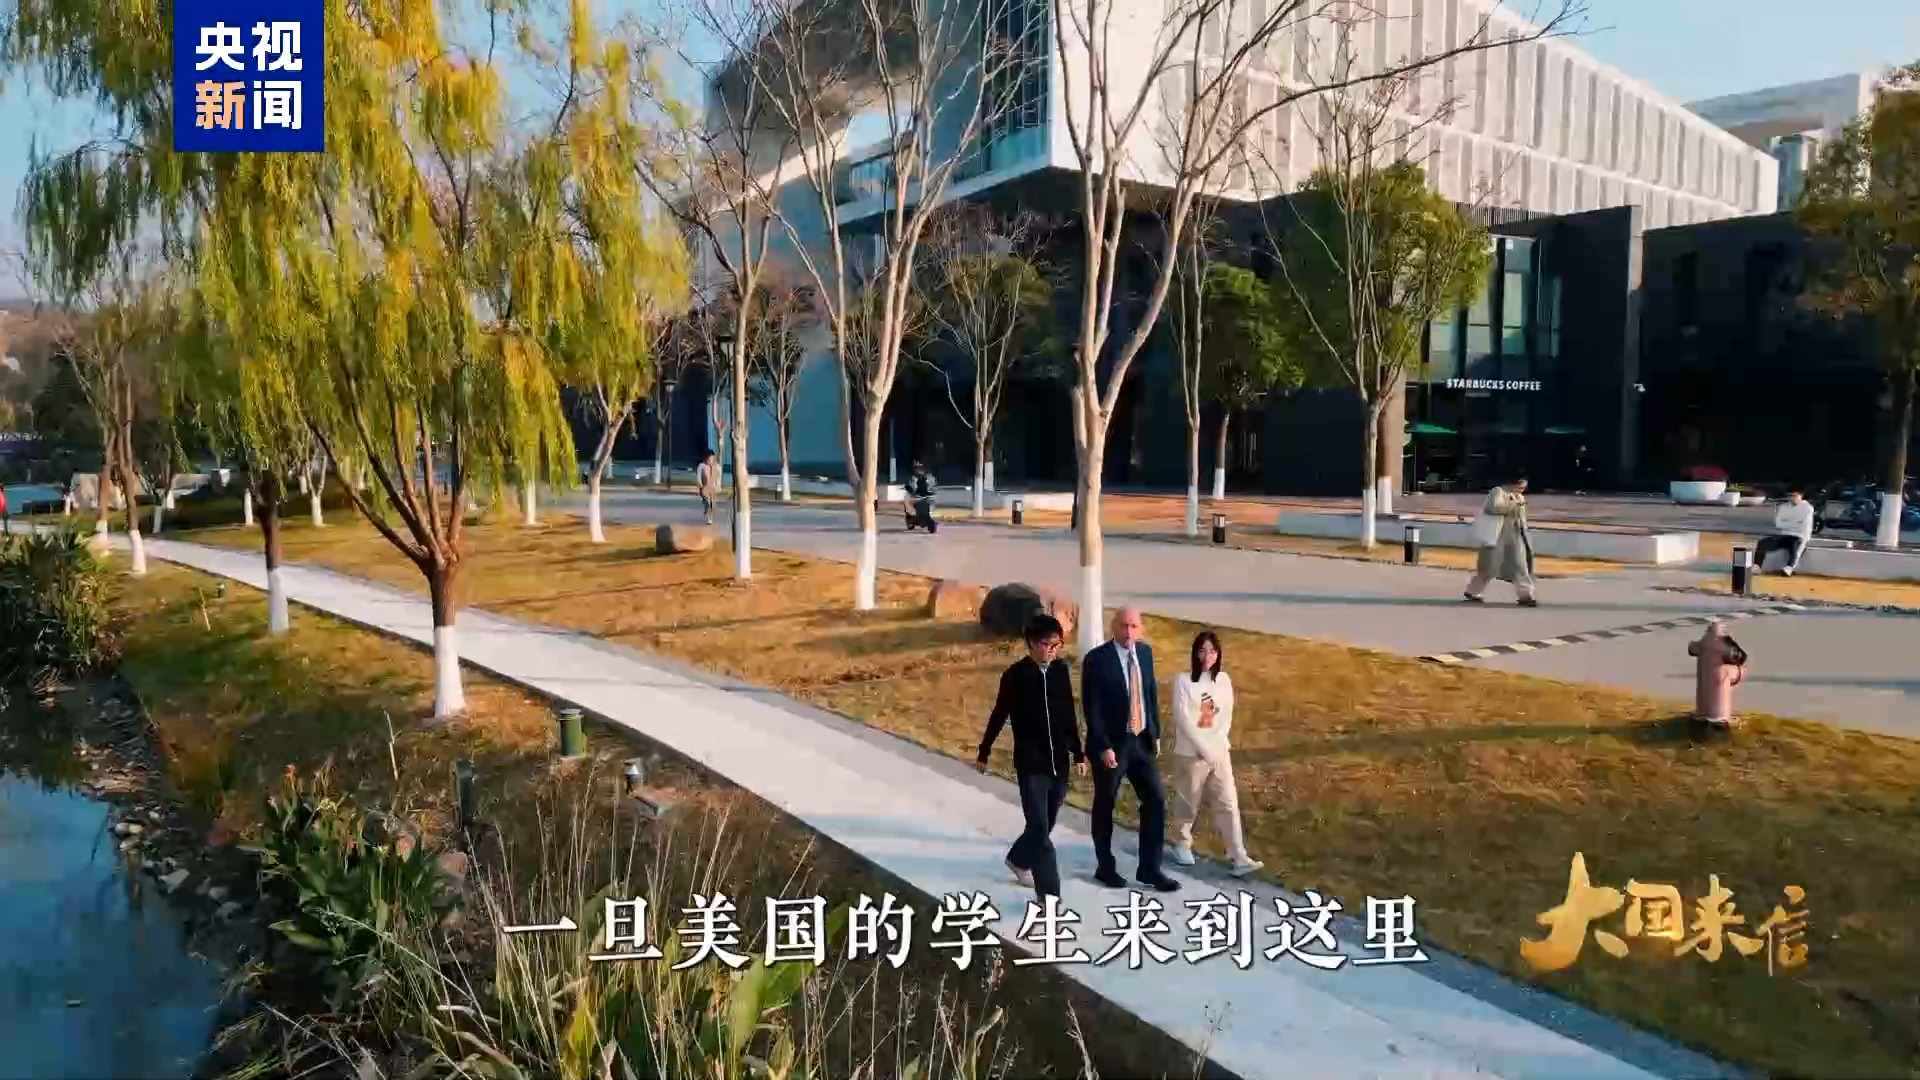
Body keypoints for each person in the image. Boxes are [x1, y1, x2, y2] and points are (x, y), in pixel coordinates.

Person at [976, 614, 1085, 898]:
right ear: (1032, 643)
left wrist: (1078, 753)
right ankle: (1049, 896)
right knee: (1039, 829)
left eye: (1057, 645)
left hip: (1059, 762)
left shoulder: (1060, 671)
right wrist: (984, 750)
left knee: (1045, 824)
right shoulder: (1015, 676)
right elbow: (999, 714)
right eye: (1047, 645)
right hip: (1031, 763)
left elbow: (1067, 714)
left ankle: (1018, 860)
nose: (1052, 650)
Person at [1083, 607, 1179, 892]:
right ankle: (1105, 866)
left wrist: (1155, 733)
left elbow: (1150, 694)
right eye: (1124, 626)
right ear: (1113, 626)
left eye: (1134, 626)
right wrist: (1103, 746)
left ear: (1141, 629)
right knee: (1105, 803)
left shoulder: (1145, 654)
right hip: (1111, 746)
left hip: (1141, 742)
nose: (1129, 632)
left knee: (1155, 800)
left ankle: (1150, 869)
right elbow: (1092, 707)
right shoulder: (1097, 659)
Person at [1167, 631, 1263, 878]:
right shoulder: (1183, 681)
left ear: (1218, 654)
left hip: (1219, 752)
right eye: (1202, 651)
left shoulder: (1223, 680)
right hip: (1191, 753)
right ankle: (1181, 844)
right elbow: (1183, 719)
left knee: (1228, 802)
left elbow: (1226, 716)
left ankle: (1238, 855)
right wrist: (1203, 748)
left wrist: (1216, 746)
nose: (1207, 656)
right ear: (1195, 653)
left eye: (1212, 651)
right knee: (1188, 802)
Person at [1464, 476, 1537, 607]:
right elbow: (1493, 508)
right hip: (1496, 536)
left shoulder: (1520, 497)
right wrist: (1513, 504)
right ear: (1512, 484)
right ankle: (1473, 591)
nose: (1522, 490)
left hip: (1515, 536)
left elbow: (1522, 518)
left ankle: (1526, 595)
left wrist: (1525, 533)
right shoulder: (1498, 491)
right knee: (1488, 567)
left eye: (1524, 488)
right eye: (1520, 487)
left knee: (1520, 566)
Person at [1756, 489, 1815, 576]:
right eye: (1791, 496)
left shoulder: (1808, 508)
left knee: (1795, 545)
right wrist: (1796, 523)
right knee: (1762, 543)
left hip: (1800, 536)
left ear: (1801, 496)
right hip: (1784, 535)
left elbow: (1803, 525)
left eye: (1795, 496)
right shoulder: (1783, 507)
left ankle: (1789, 568)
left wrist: (1786, 523)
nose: (1792, 498)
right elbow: (1778, 523)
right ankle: (1757, 566)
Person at [904, 460, 938, 533]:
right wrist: (910, 490)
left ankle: (925, 519)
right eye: (917, 468)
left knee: (930, 506)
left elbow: (933, 488)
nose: (919, 470)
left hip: (927, 498)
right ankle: (911, 518)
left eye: (921, 468)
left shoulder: (930, 477)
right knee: (907, 500)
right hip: (917, 498)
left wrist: (931, 492)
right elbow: (910, 487)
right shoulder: (912, 478)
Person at [695, 451, 720, 525]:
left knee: (712, 504)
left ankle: (710, 517)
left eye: (712, 458)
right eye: (709, 458)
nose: (710, 460)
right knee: (708, 503)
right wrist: (700, 484)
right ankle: (708, 517)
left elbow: (718, 477)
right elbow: (698, 476)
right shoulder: (701, 466)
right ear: (706, 458)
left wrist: (718, 485)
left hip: (713, 488)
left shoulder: (717, 466)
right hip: (704, 488)